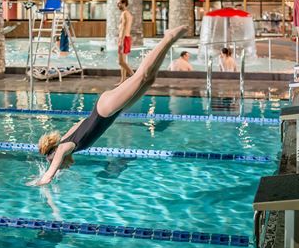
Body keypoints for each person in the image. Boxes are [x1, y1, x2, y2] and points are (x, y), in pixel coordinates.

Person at [32, 25, 188, 186]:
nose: (64, 167)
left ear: (54, 156)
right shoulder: (66, 141)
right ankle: (169, 43)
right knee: (149, 80)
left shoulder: (66, 147)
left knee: (141, 76)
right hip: (110, 111)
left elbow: (59, 154)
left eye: (59, 165)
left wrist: (47, 177)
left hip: (105, 110)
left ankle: (168, 37)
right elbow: (81, 124)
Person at [116, 0, 134, 84]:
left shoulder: (124, 14)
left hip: (124, 39)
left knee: (120, 61)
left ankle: (134, 76)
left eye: (119, 3)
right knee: (123, 61)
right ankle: (123, 80)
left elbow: (123, 28)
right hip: (127, 38)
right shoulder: (128, 14)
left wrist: (121, 41)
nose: (118, 5)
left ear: (124, 3)